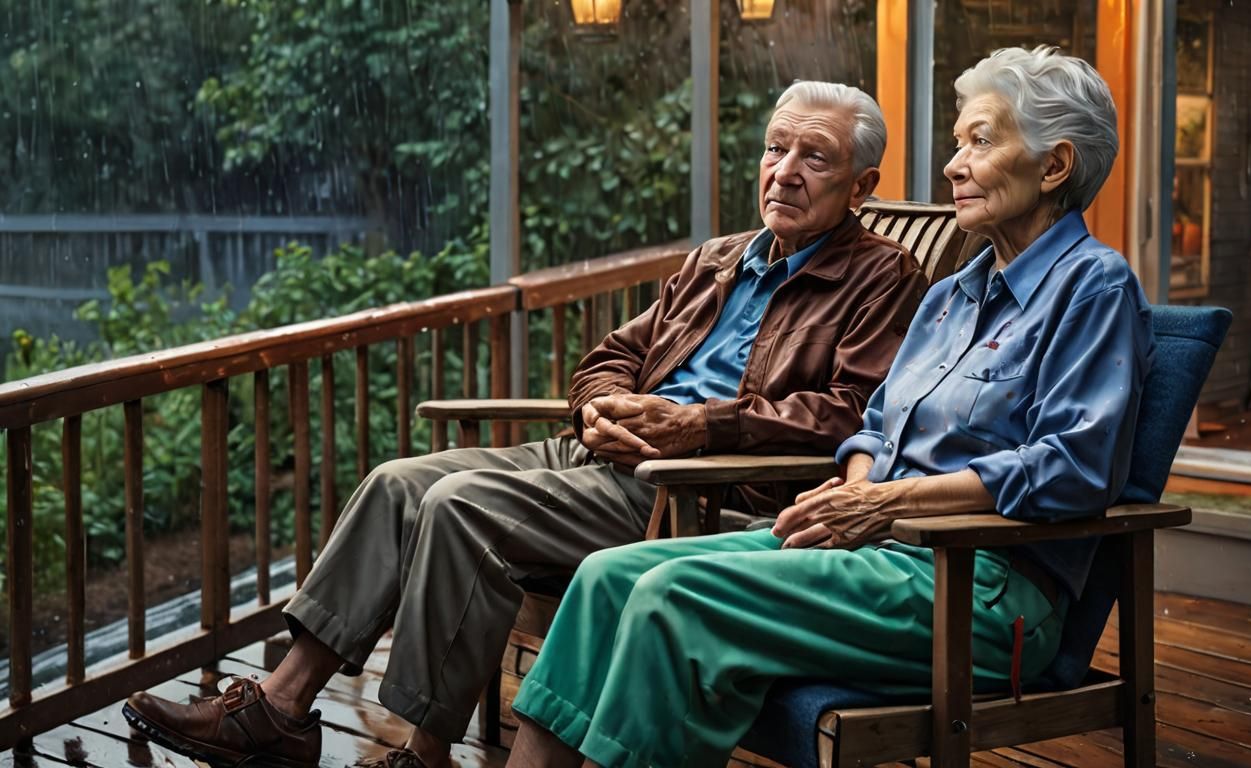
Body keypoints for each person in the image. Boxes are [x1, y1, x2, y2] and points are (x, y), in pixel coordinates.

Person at [120, 80, 927, 768]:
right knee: (398, 482)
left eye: (813, 157)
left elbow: (853, 415)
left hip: (699, 488)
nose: (783, 172)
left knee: (463, 505)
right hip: (607, 455)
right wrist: (600, 406)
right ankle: (279, 708)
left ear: (862, 187)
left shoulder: (882, 277)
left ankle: (420, 751)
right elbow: (611, 354)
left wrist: (699, 427)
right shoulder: (719, 259)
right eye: (775, 149)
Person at [504, 45, 1155, 768]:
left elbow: (1073, 467)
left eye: (980, 140)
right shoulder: (951, 295)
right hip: (881, 552)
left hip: (983, 589)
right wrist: (851, 498)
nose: (951, 166)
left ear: (1055, 166)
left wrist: (885, 504)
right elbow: (874, 426)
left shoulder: (1093, 289)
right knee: (606, 578)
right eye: (956, 142)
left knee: (672, 595)